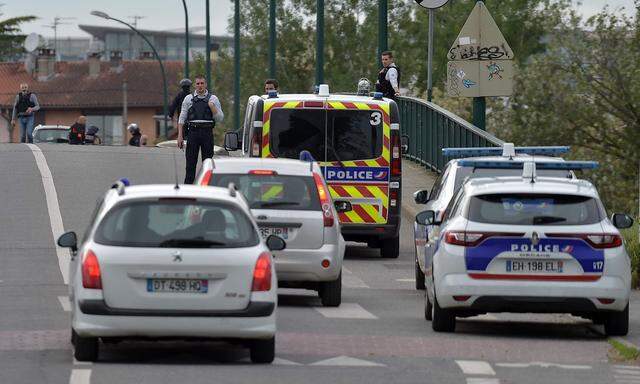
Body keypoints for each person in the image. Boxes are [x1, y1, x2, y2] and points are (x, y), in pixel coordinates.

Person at [177, 74, 224, 184]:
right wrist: (180, 136)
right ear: (194, 85)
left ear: (206, 84)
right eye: (198, 83)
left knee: (207, 164)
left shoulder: (213, 99)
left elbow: (220, 118)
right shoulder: (188, 99)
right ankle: (188, 188)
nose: (200, 86)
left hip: (207, 133)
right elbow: (182, 118)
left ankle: (207, 187)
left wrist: (212, 108)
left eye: (202, 83)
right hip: (193, 132)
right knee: (190, 165)